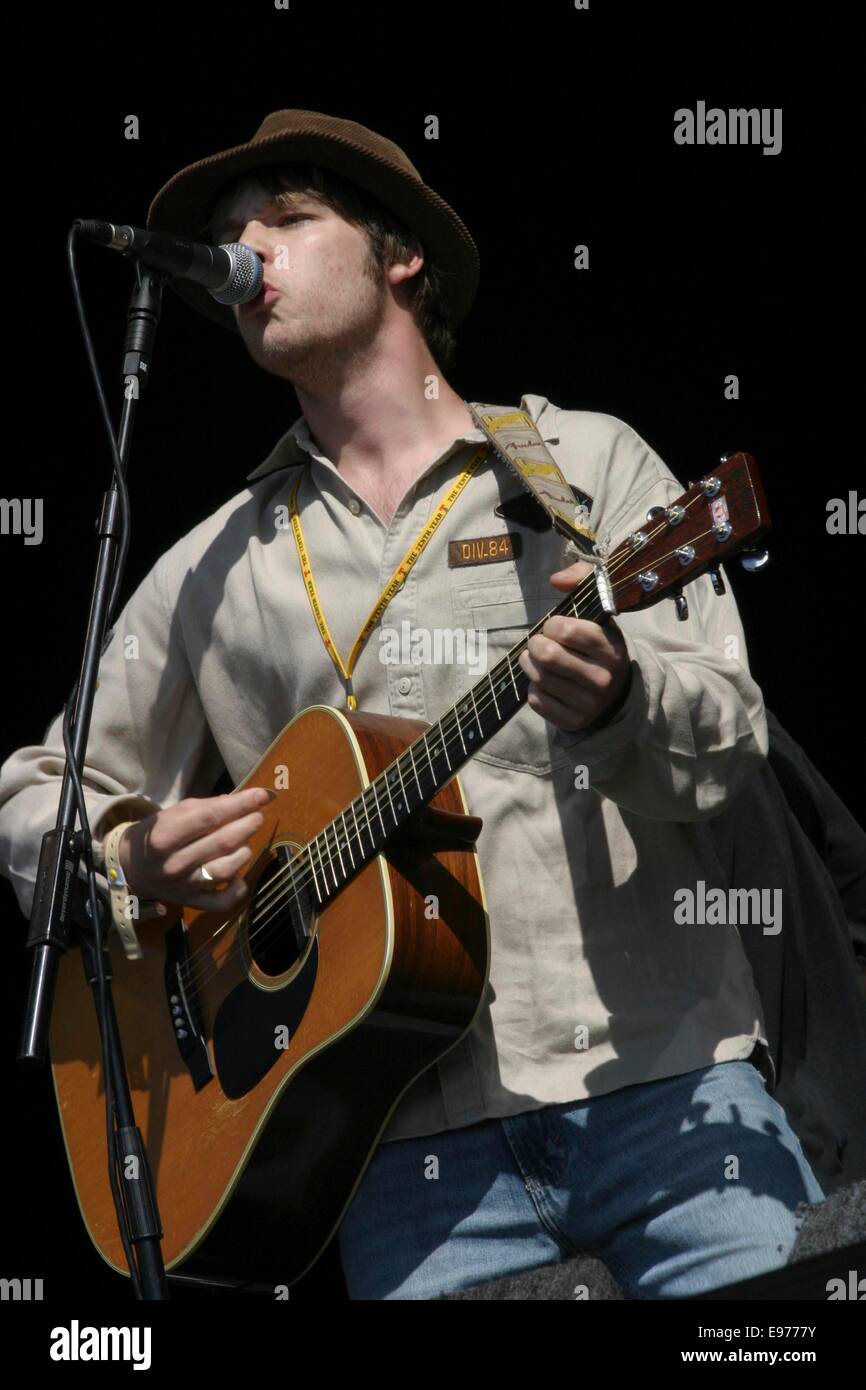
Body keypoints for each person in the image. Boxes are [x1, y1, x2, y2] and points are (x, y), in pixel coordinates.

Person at [0, 110, 825, 1300]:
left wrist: (619, 703)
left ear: (401, 258)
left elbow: (727, 743)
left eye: (284, 218)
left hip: (666, 1100)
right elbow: (42, 789)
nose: (246, 251)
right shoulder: (208, 567)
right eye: (228, 236)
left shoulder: (579, 465)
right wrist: (128, 849)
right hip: (399, 1157)